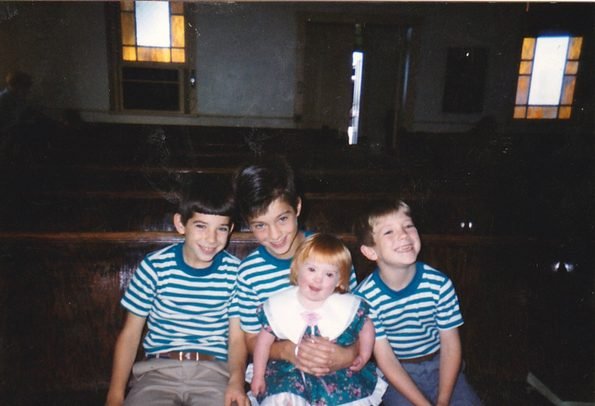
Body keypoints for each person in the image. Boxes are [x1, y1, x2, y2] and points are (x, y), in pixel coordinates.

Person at [105, 176, 249, 406]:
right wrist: (114, 395)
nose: (211, 239)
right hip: (157, 372)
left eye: (221, 229)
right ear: (181, 224)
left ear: (230, 229)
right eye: (201, 226)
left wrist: (236, 381)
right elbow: (131, 335)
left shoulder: (235, 273)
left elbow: (236, 339)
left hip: (213, 373)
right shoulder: (155, 267)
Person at [234, 156, 359, 378]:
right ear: (248, 222)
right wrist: (286, 351)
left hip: (335, 362)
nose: (274, 235)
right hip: (283, 368)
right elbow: (252, 339)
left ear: (297, 207)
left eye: (282, 219)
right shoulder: (249, 272)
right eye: (260, 225)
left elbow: (359, 317)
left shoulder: (330, 254)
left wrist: (349, 354)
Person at [353, 199, 482, 406]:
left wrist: (442, 400)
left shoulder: (439, 284)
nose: (404, 235)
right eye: (389, 232)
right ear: (370, 251)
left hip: (442, 365)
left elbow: (450, 346)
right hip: (396, 374)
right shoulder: (365, 298)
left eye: (408, 226)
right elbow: (386, 359)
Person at [250, 233, 387, 405]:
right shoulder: (281, 303)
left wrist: (364, 355)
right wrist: (258, 375)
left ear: (340, 281)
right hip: (291, 371)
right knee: (284, 396)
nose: (318, 278)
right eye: (312, 269)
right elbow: (263, 343)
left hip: (335, 370)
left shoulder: (347, 306)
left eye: (329, 274)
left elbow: (367, 327)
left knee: (343, 396)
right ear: (298, 268)